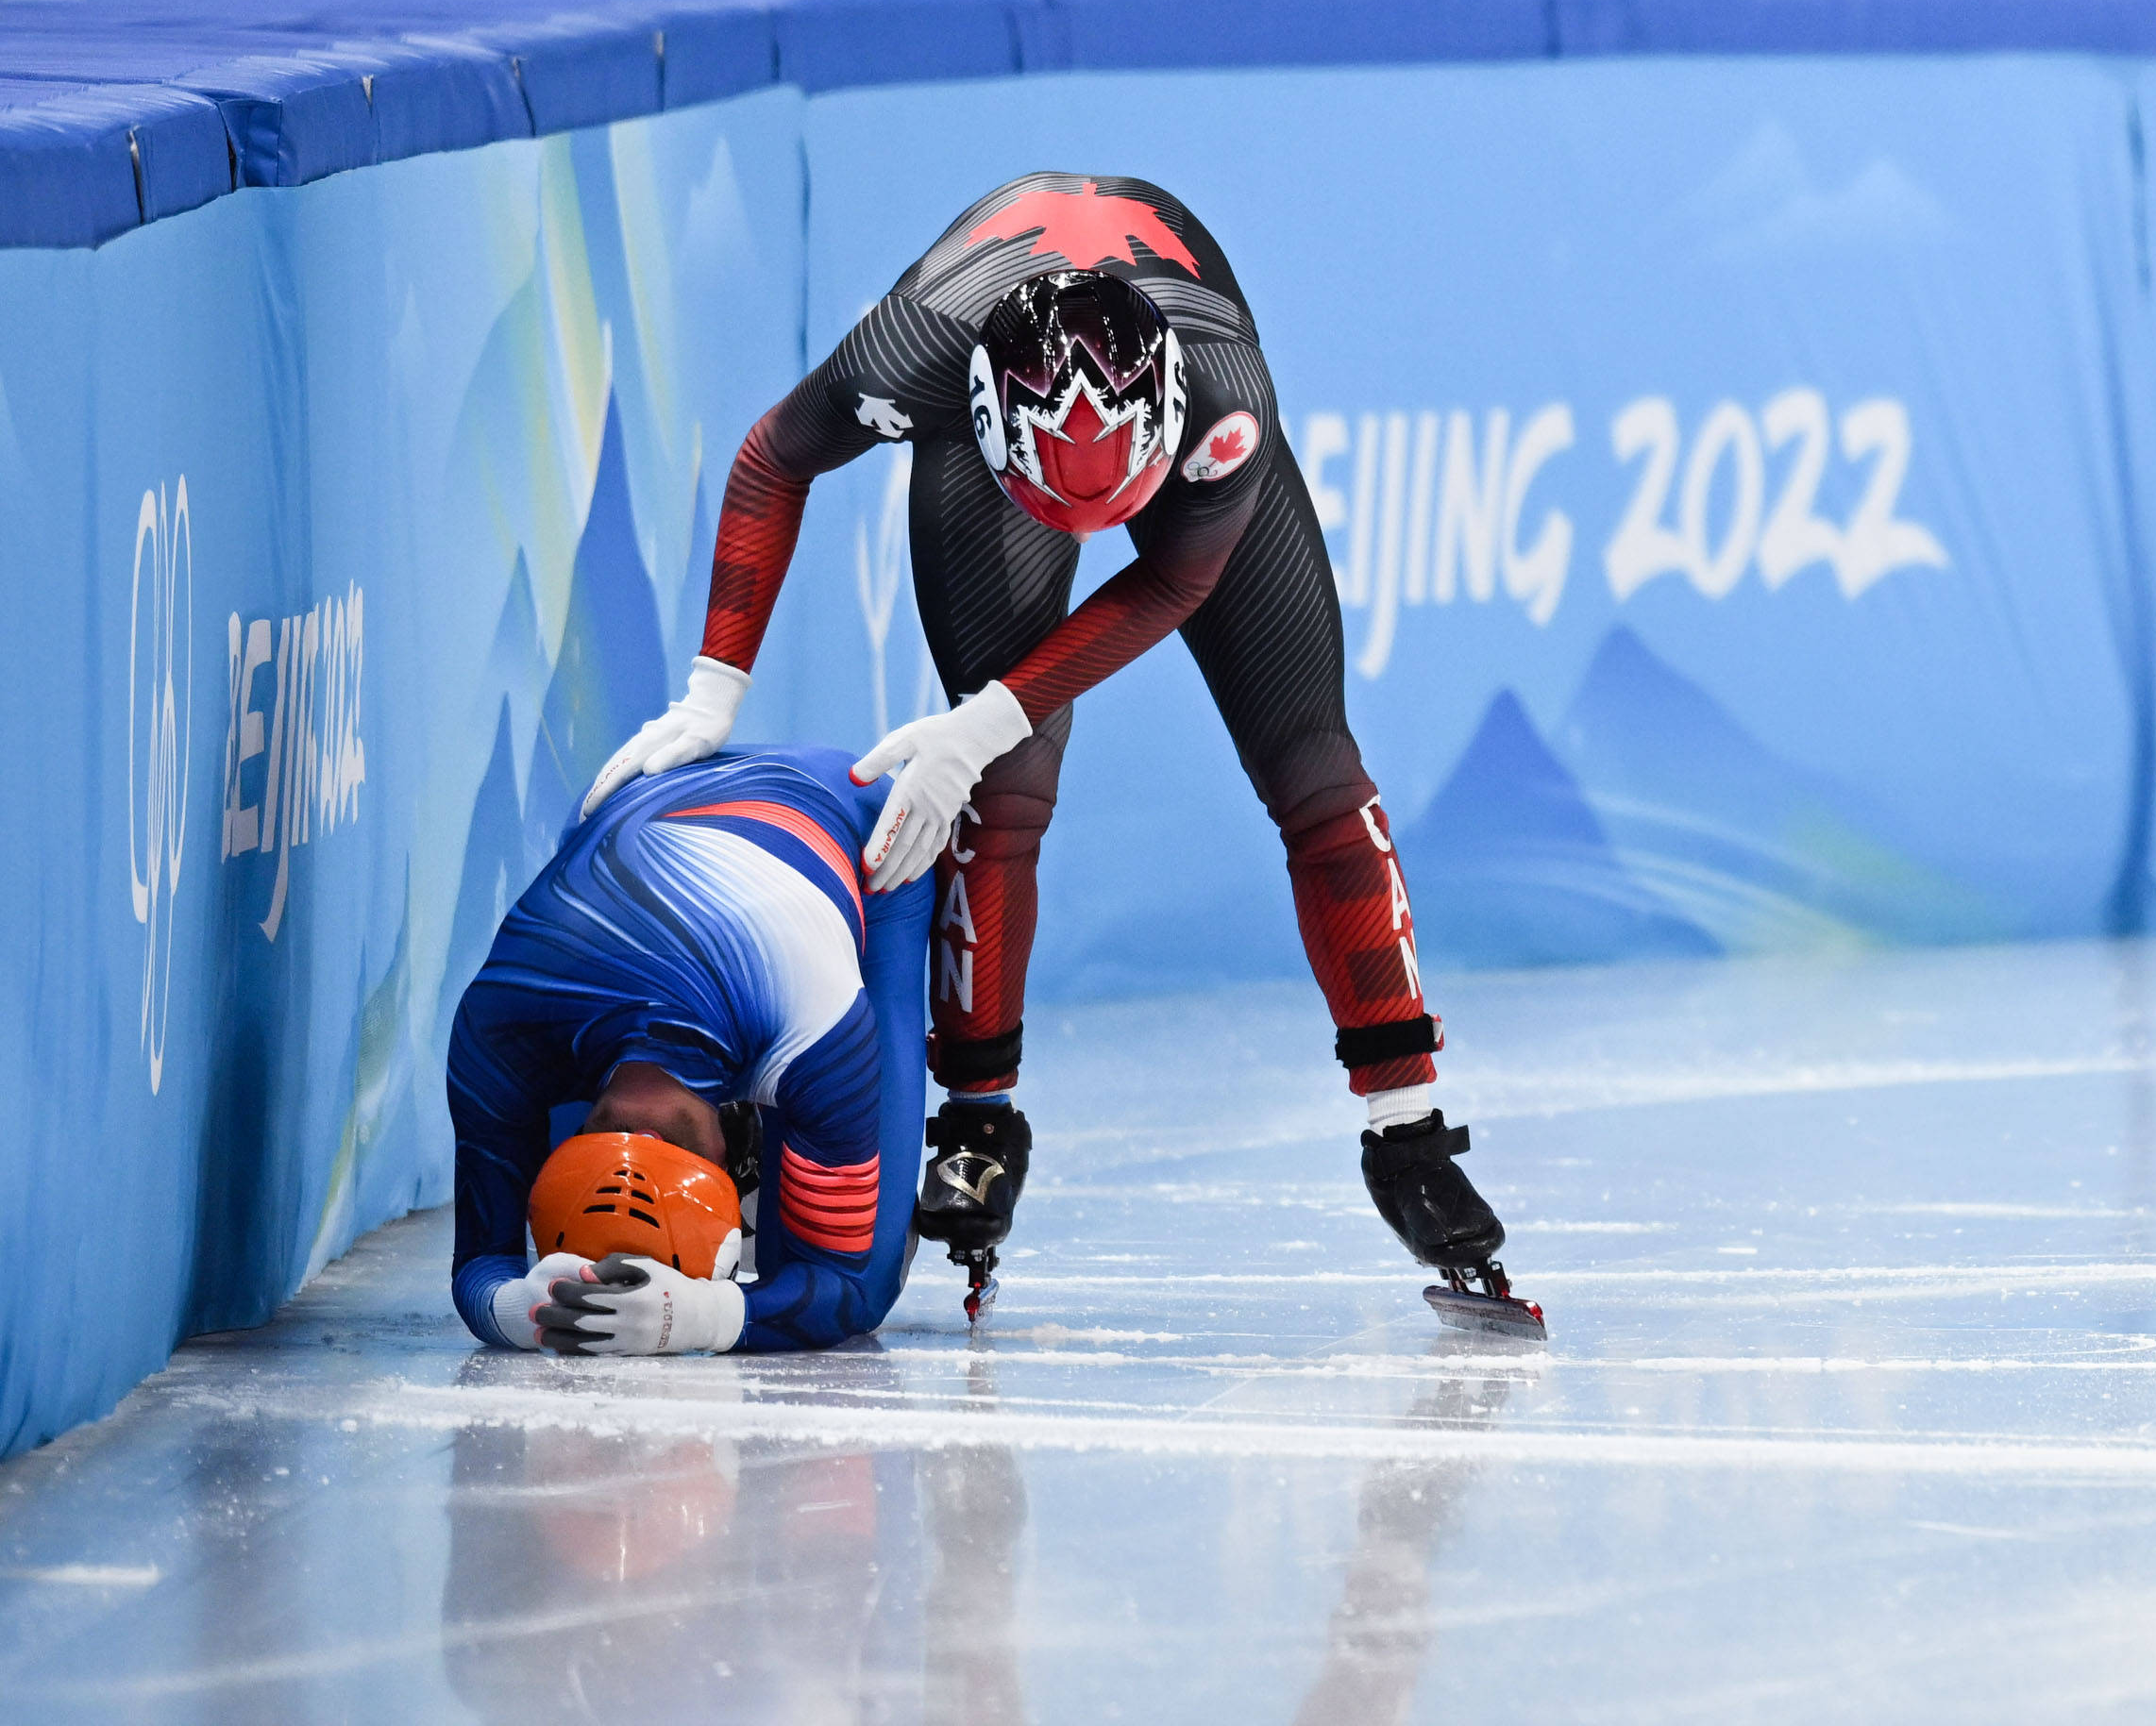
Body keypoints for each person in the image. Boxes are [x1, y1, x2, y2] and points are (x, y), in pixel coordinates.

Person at [578, 172, 1523, 1323]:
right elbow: (775, 456)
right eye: (1064, 505)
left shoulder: (1224, 406)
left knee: (1316, 774)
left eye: (1111, 499)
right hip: (994, 471)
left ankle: (1409, 1134)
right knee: (1001, 795)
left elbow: (1173, 577)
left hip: (1160, 458)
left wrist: (975, 720)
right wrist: (710, 693)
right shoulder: (912, 354)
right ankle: (977, 1120)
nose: (1091, 531)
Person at [446, 745, 922, 1354]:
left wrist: (694, 1316)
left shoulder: (821, 1035)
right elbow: (479, 1267)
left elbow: (853, 1290)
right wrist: (525, 1305)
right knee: (812, 1267)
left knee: (871, 1276)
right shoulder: (500, 1023)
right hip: (633, 797)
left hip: (864, 826)